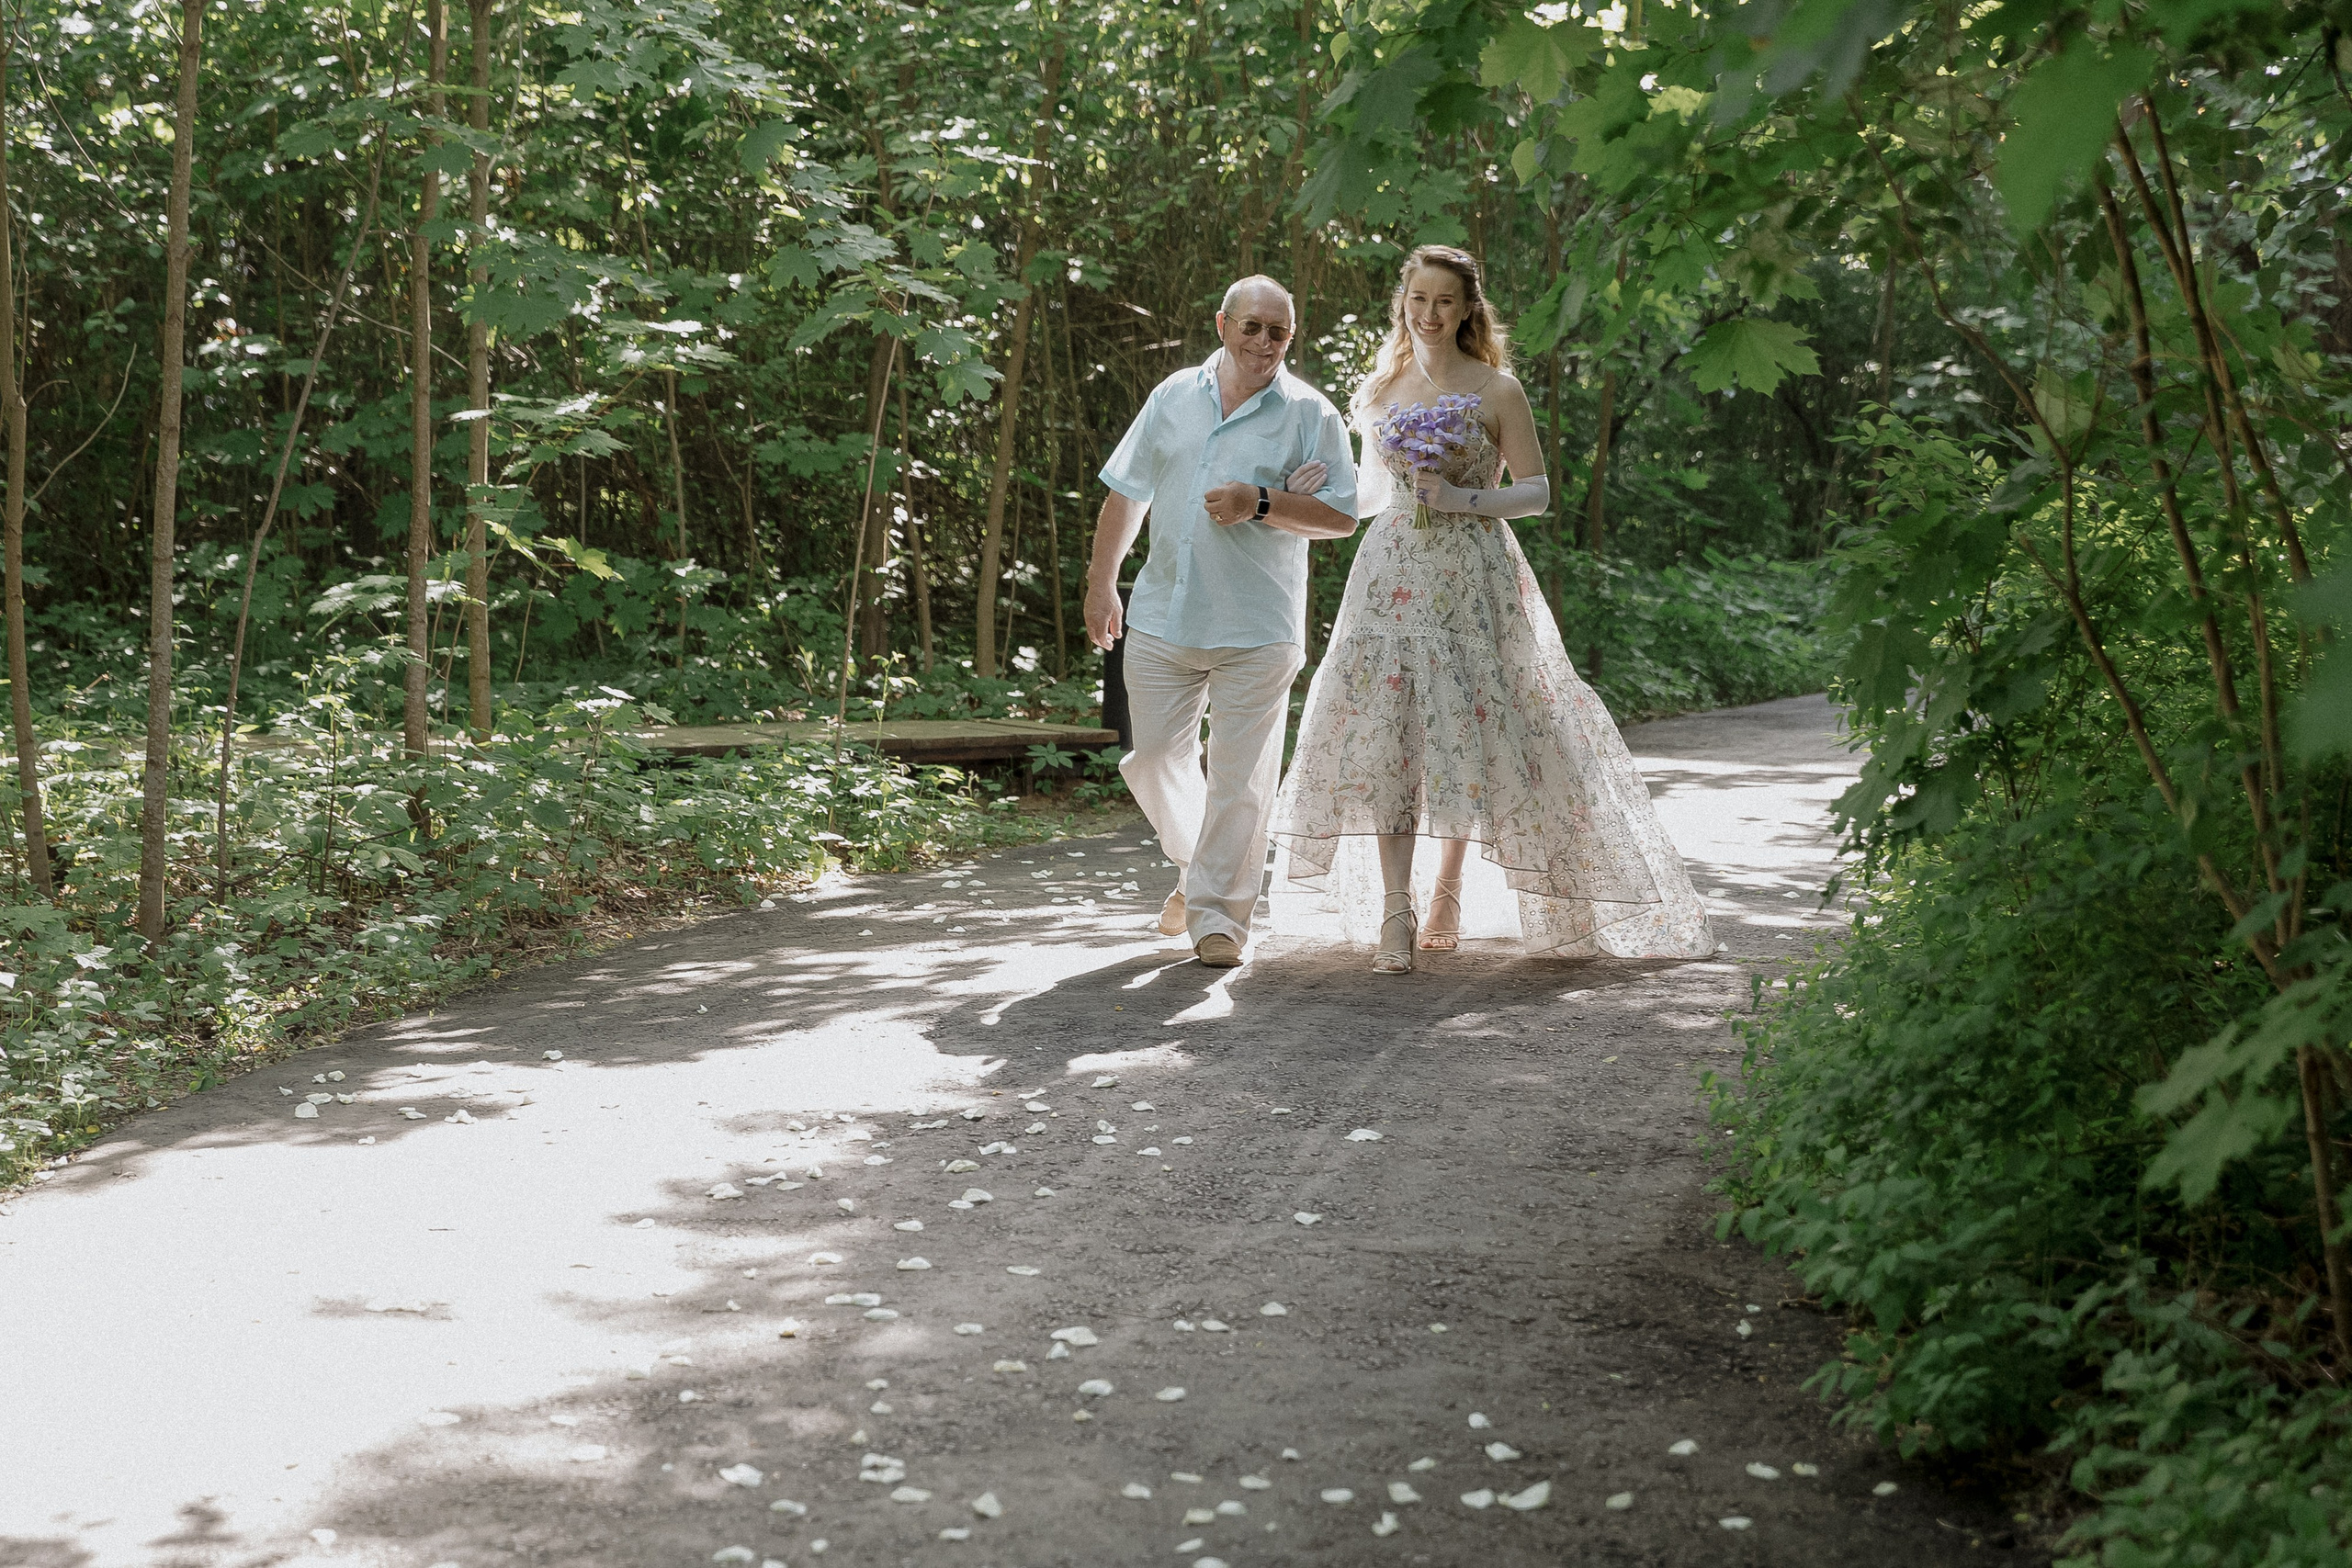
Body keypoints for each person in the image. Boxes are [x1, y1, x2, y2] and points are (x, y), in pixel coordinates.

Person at [1271, 244, 1711, 972]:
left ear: (1469, 307)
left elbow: (1536, 493)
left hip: (1472, 575)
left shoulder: (1498, 389)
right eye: (1419, 299)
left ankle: (1446, 886)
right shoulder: (1380, 389)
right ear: (1401, 302)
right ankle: (1393, 910)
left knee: (1466, 730)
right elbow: (1376, 498)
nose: (1430, 314)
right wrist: (1309, 487)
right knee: (1389, 736)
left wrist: (1464, 498)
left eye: (1445, 301)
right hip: (1390, 577)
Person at [1085, 276, 1359, 969]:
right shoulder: (1172, 395)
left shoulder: (1309, 414)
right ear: (1222, 324)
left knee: (1241, 777)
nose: (1264, 342)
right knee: (1151, 758)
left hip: (1258, 624)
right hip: (1162, 611)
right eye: (1253, 326)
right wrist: (1100, 583)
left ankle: (1219, 922)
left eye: (1279, 332)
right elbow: (1126, 492)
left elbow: (1342, 516)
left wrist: (1261, 501)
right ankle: (1195, 867)